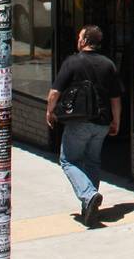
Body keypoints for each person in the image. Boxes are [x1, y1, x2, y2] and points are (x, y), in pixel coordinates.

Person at [46, 25, 122, 224]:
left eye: (79, 36)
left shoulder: (73, 62)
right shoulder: (108, 64)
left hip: (80, 121)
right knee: (92, 161)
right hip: (103, 122)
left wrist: (50, 111)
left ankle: (88, 196)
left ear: (85, 40)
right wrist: (116, 121)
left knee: (68, 160)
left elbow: (55, 92)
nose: (77, 40)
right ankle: (89, 207)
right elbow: (115, 98)